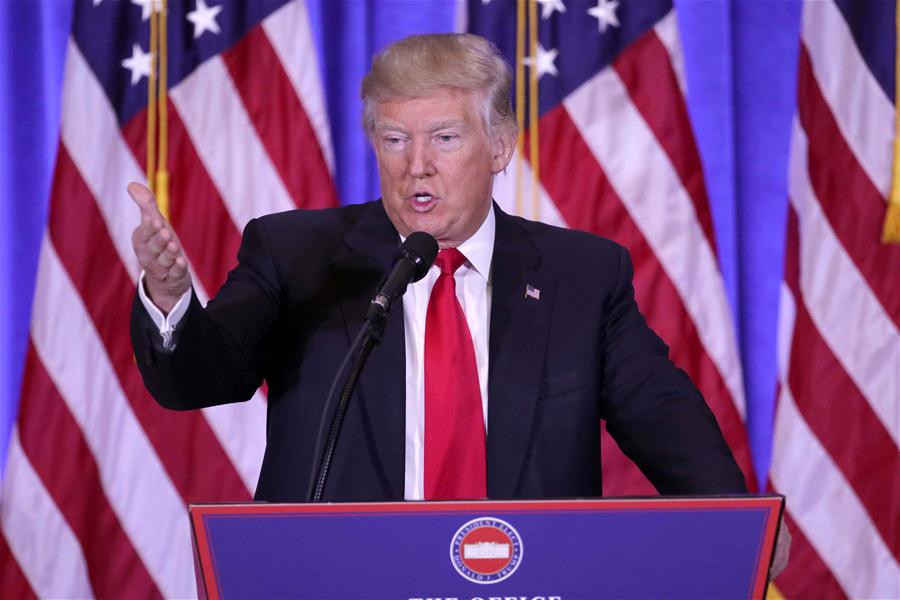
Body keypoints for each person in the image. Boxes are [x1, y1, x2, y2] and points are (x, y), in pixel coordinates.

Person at [129, 32, 788, 574]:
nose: (416, 164)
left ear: (499, 146)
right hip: (341, 582)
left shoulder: (581, 274)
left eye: (444, 138)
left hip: (527, 583)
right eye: (394, 140)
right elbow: (200, 377)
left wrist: (736, 523)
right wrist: (170, 298)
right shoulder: (296, 253)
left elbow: (661, 413)